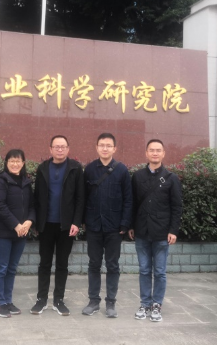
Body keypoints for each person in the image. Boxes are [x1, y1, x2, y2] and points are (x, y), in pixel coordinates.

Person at [128, 139, 183, 322]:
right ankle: (145, 304)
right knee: (144, 270)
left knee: (159, 271)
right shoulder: (137, 177)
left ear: (163, 153)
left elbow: (177, 206)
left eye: (158, 150)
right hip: (142, 231)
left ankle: (157, 304)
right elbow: (133, 204)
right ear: (146, 153)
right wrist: (131, 226)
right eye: (151, 150)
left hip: (162, 232)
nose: (155, 153)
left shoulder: (171, 178)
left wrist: (173, 230)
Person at [30, 135, 85, 316]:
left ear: (68, 149)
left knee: (62, 264)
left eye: (63, 147)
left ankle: (59, 300)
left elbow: (80, 198)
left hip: (66, 226)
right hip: (46, 224)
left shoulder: (75, 168)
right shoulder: (43, 168)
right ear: (50, 149)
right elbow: (37, 197)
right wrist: (37, 222)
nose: (60, 149)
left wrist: (76, 222)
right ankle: (41, 299)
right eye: (56, 147)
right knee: (44, 263)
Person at [82, 133, 132, 318]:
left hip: (114, 227)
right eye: (101, 145)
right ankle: (93, 301)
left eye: (108, 145)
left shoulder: (122, 170)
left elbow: (128, 199)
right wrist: (83, 221)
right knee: (94, 264)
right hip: (94, 226)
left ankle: (111, 302)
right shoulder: (89, 169)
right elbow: (83, 197)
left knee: (112, 265)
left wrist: (125, 223)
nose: (105, 148)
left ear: (114, 148)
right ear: (96, 147)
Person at [0, 149, 35, 318]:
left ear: (23, 163)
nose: (15, 164)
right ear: (6, 163)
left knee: (12, 268)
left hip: (21, 233)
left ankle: (8, 300)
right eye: (12, 161)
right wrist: (16, 225)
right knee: (1, 268)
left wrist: (29, 221)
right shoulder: (0, 181)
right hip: (3, 232)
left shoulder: (26, 182)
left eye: (18, 161)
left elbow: (32, 206)